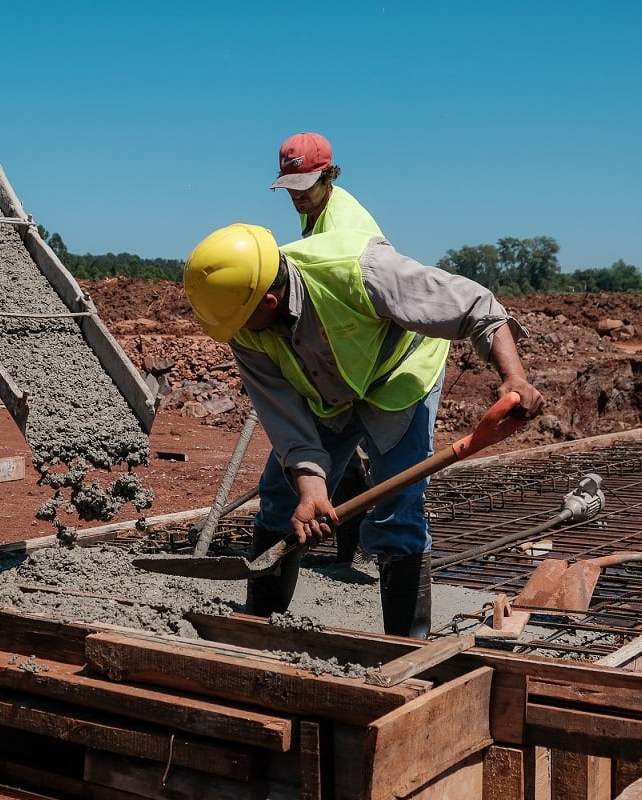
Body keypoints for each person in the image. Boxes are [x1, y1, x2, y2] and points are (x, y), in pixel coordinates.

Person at [183, 224, 543, 638]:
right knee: (283, 501)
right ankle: (259, 629)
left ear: (270, 299)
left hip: (399, 377)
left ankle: (405, 649)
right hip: (328, 390)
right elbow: (284, 418)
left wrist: (513, 377)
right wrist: (313, 489)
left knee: (397, 511)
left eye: (248, 322)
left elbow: (478, 307)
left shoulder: (361, 271)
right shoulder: (242, 321)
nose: (242, 332)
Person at [255, 132, 381, 584]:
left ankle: (361, 556)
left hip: (363, 366)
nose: (297, 195)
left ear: (329, 175)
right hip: (338, 365)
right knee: (335, 461)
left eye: (306, 184)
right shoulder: (320, 208)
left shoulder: (345, 228)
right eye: (290, 186)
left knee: (314, 467)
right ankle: (350, 555)